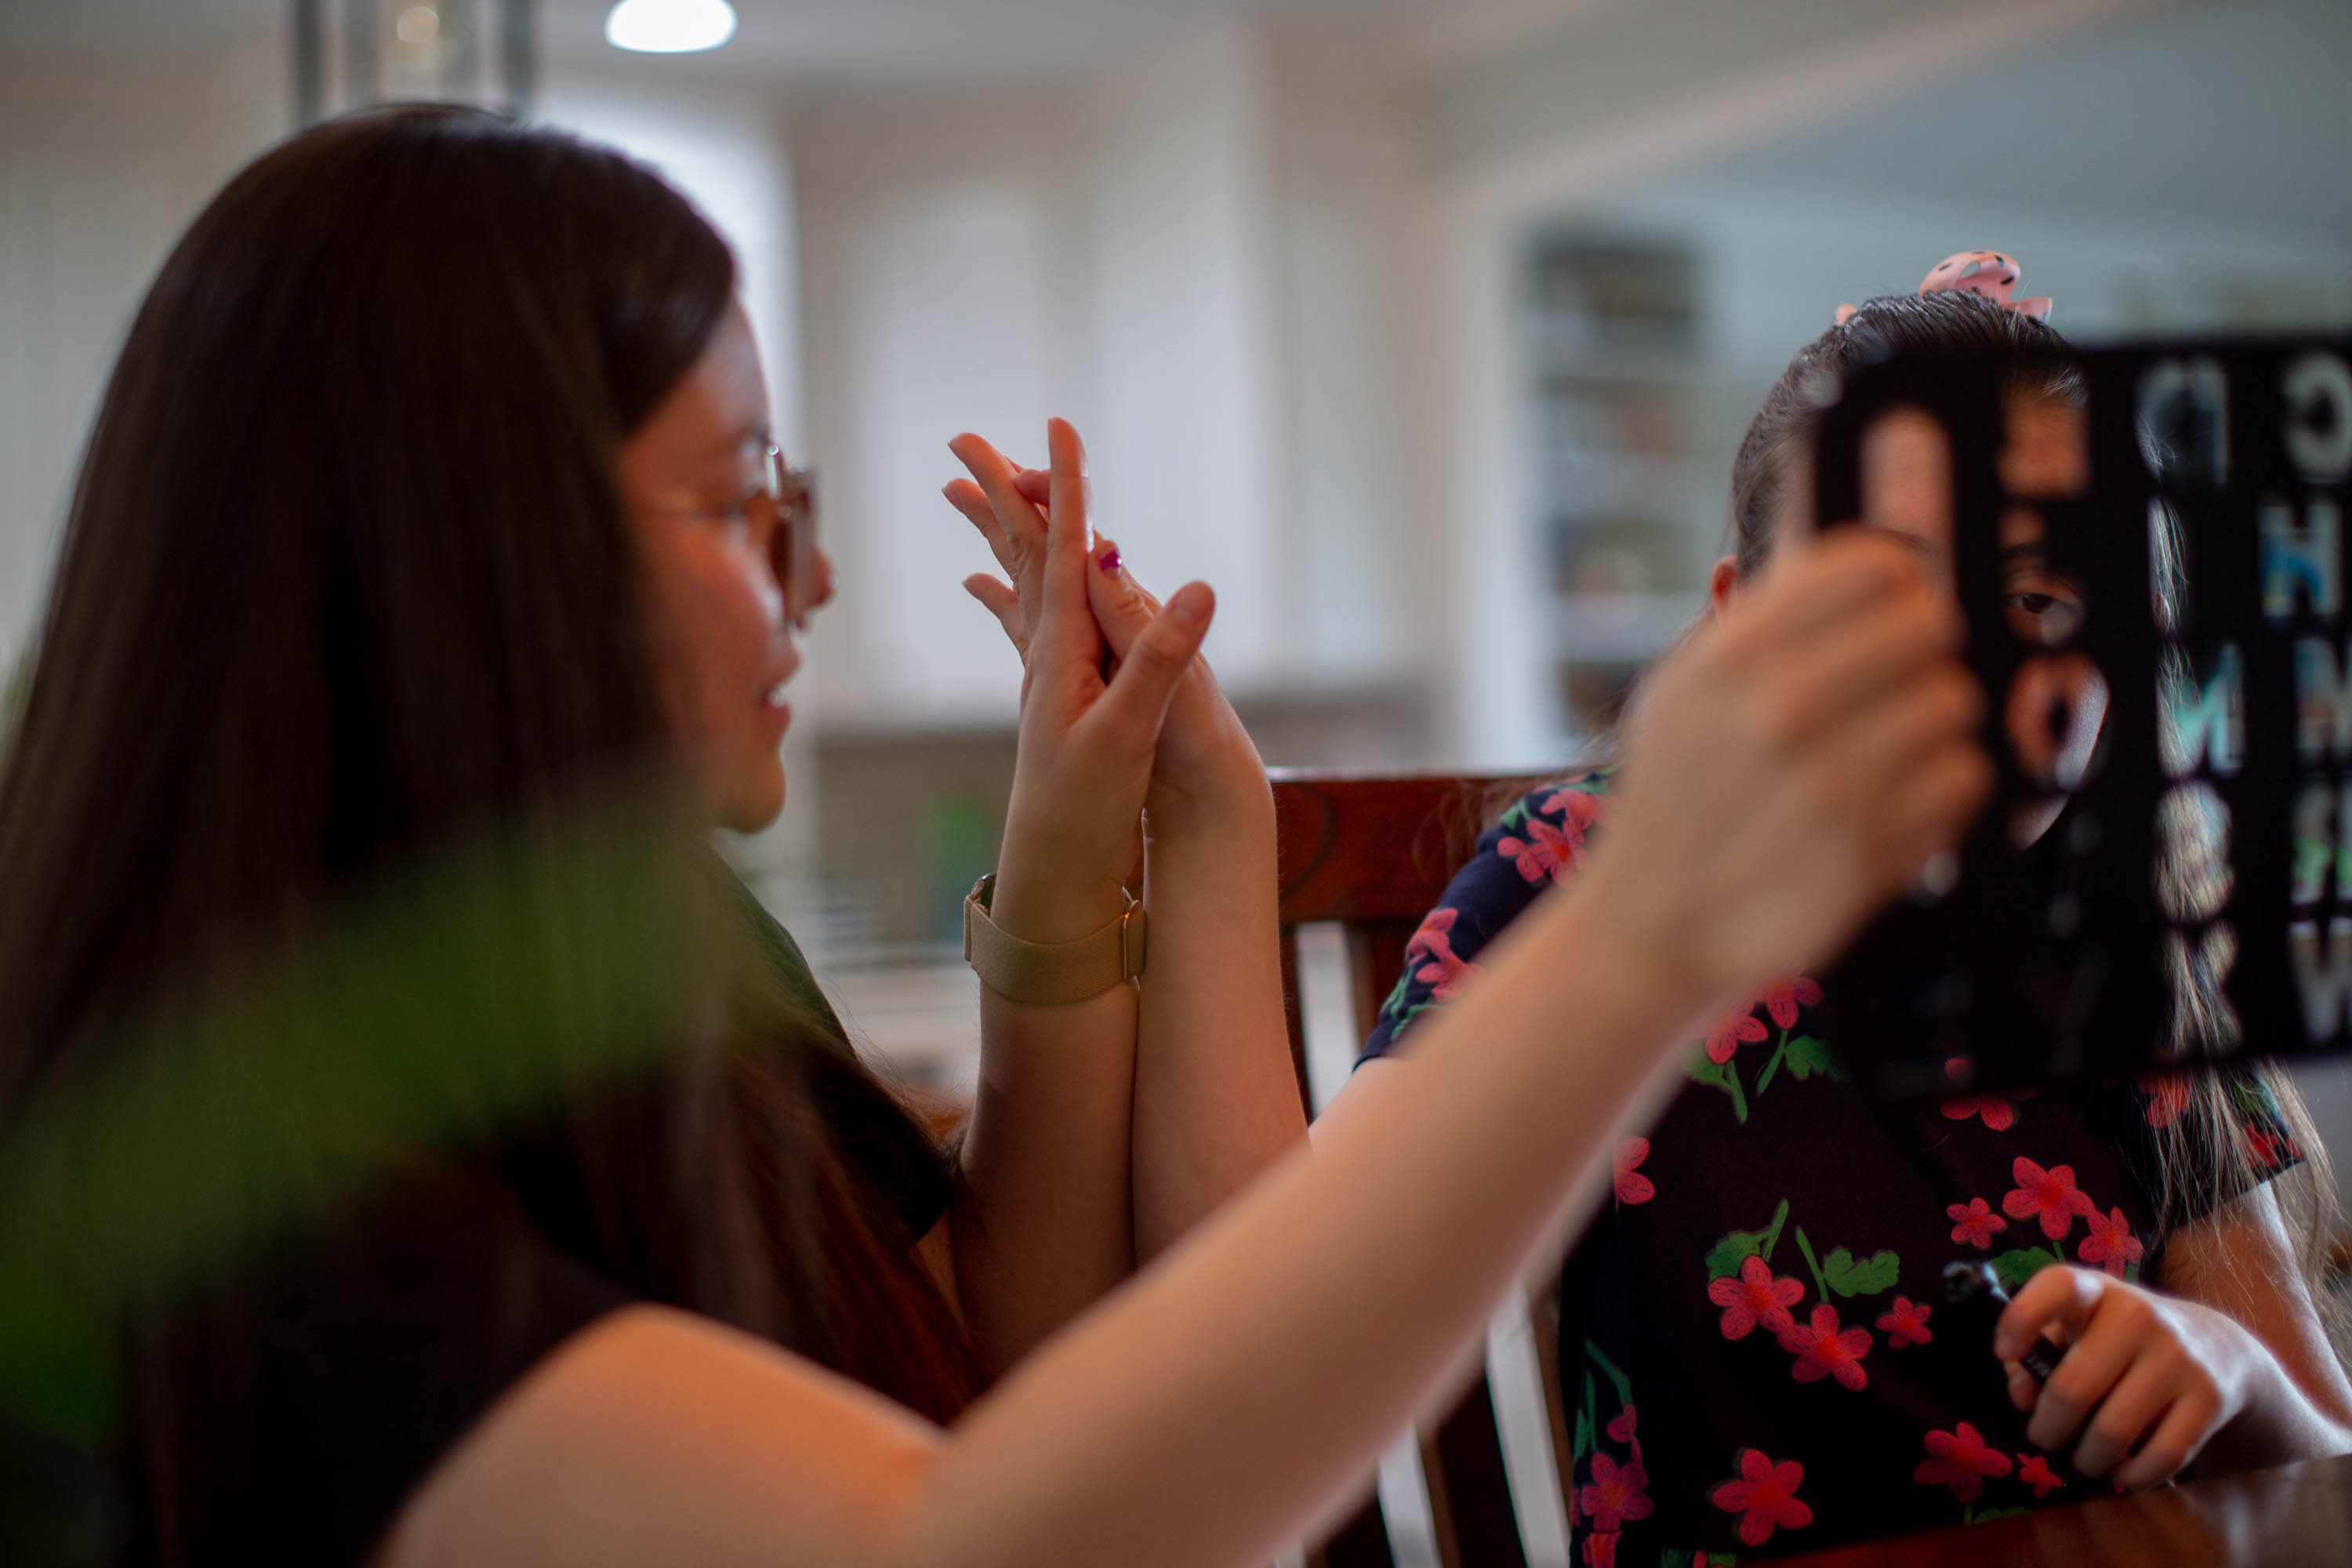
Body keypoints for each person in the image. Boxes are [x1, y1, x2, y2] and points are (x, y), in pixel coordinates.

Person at [0, 105, 1985, 1566]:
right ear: (466, 546)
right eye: (740, 504)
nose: (819, 569)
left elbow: (981, 1344)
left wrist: (1086, 847)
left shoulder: (647, 942)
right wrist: (1647, 929)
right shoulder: (253, 1201)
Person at [1356, 262, 2352, 1563]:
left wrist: (2228, 1368)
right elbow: (1306, 1257)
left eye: (2039, 605)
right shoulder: (1588, 878)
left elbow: (2323, 1444)